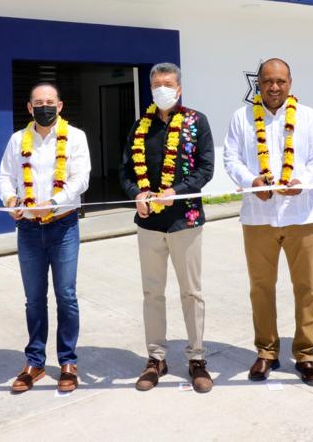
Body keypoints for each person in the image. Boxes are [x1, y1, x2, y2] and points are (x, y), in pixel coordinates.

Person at [223, 58, 313, 386]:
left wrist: (302, 180)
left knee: (307, 288)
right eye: (268, 81)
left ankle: (306, 354)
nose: (274, 87)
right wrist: (251, 181)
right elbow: (231, 158)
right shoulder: (241, 117)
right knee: (261, 288)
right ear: (259, 83)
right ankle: (267, 351)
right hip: (257, 218)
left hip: (301, 215)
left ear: (290, 83)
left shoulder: (308, 116)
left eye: (280, 81)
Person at [120, 62, 216, 393]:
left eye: (169, 83)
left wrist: (177, 191)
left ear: (179, 89)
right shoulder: (139, 127)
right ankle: (156, 358)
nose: (163, 88)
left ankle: (197, 358)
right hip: (149, 223)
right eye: (157, 83)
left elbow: (206, 169)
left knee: (191, 292)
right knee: (152, 292)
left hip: (185, 219)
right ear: (151, 89)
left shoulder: (196, 122)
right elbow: (125, 172)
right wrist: (137, 193)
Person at [0, 82, 91, 393]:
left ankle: (67, 361)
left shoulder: (75, 137)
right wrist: (10, 200)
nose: (44, 107)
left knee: (66, 295)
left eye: (50, 101)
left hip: (63, 227)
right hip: (27, 230)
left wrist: (52, 203)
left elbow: (80, 179)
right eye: (38, 102)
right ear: (29, 108)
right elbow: (5, 177)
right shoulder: (16, 140)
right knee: (34, 299)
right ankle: (35, 362)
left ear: (60, 106)